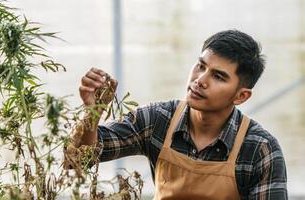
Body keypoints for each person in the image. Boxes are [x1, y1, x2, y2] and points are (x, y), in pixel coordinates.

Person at [77, 30, 287, 199]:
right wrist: (92, 113)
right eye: (201, 66)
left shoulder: (260, 148)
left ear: (241, 96)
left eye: (218, 77)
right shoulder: (158, 119)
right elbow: (78, 160)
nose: (200, 80)